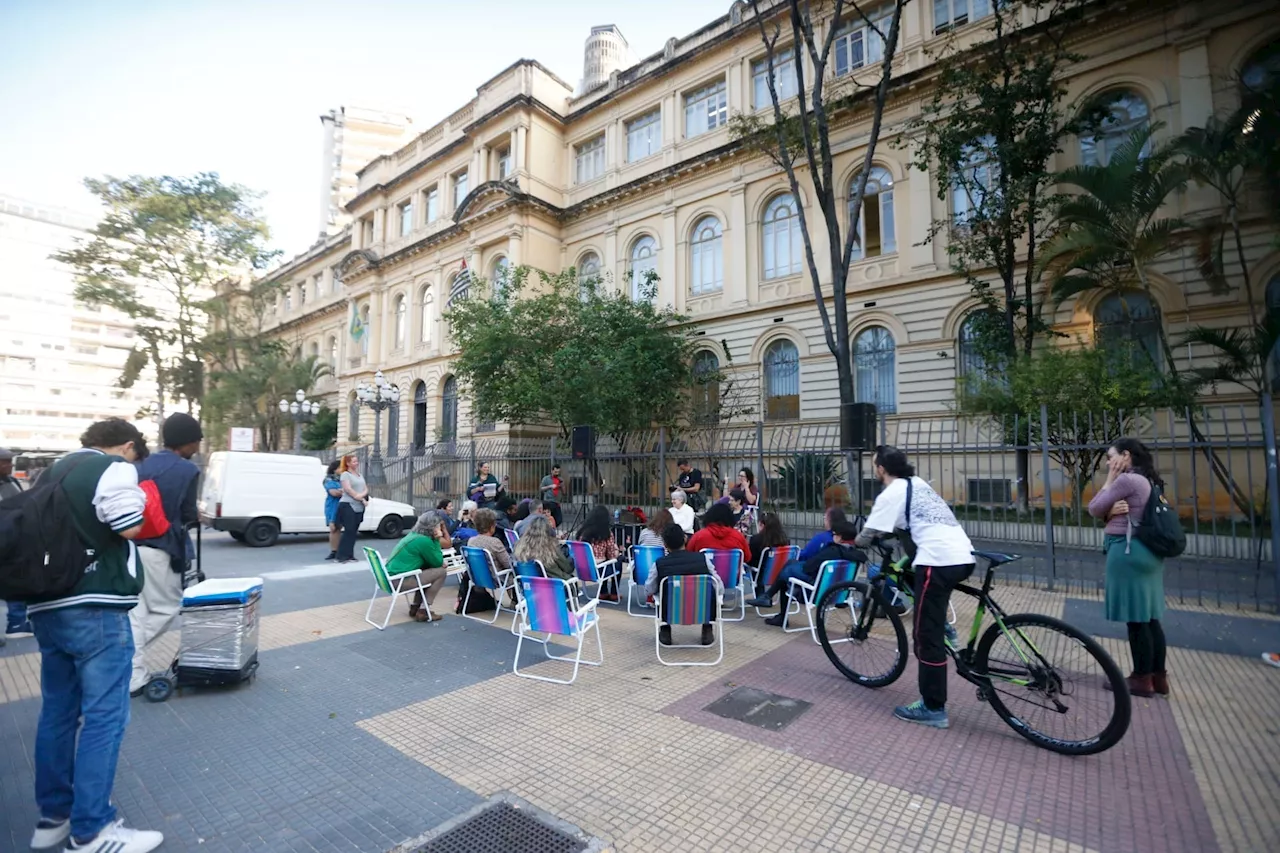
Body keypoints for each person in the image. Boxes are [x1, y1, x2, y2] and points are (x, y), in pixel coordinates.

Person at [26, 418, 165, 853]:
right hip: (96, 608)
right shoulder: (114, 467)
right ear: (126, 447)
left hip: (47, 606)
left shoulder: (49, 473)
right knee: (105, 717)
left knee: (58, 713)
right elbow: (126, 523)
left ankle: (54, 818)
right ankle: (93, 830)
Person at [855, 445, 975, 730]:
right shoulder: (917, 484)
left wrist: (857, 538)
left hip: (938, 561)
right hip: (962, 556)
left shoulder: (891, 492)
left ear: (881, 469)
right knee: (916, 580)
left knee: (924, 635)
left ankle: (933, 707)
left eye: (874, 465)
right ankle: (946, 627)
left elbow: (866, 536)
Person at [128, 412, 203, 697]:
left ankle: (131, 673)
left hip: (129, 547)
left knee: (136, 612)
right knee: (165, 607)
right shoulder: (186, 470)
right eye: (195, 441)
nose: (196, 448)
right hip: (161, 548)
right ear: (185, 442)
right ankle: (124, 662)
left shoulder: (137, 464)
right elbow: (186, 514)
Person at [1087, 437, 1168, 698]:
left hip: (1129, 551)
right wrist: (1110, 513)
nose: (1109, 462)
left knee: (1136, 620)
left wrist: (1110, 478)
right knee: (1150, 618)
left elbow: (1094, 508)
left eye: (1111, 456)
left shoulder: (1126, 480)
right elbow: (1112, 512)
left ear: (1126, 455)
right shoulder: (1149, 480)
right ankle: (1158, 676)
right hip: (1147, 554)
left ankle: (1141, 679)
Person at [749, 520, 863, 626]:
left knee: (787, 573)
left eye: (833, 534)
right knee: (790, 566)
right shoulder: (855, 557)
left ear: (839, 537)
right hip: (839, 594)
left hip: (815, 592)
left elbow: (808, 567)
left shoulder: (831, 552)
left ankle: (770, 600)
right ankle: (769, 599)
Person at [645, 524, 716, 646]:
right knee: (709, 594)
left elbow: (649, 589)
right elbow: (717, 584)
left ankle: (665, 630)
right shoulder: (702, 559)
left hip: (670, 611)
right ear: (685, 539)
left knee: (660, 595)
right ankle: (707, 629)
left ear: (665, 545)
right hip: (703, 610)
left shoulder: (660, 564)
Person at [385, 511, 451, 622]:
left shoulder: (413, 535)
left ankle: (416, 607)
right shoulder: (425, 540)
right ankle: (423, 610)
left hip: (388, 578)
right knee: (441, 572)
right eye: (439, 525)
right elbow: (438, 562)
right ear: (433, 527)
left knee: (428, 571)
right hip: (399, 581)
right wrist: (436, 539)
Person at [1, 447, 33, 641]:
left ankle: (17, 622)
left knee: (15, 579)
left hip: (14, 540)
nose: (10, 465)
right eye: (5, 461)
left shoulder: (11, 481)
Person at [467, 508, 514, 603]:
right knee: (517, 572)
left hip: (479, 578)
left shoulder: (471, 541)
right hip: (496, 579)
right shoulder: (495, 542)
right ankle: (515, 601)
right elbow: (509, 564)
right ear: (491, 526)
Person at [576, 504, 621, 602]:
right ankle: (614, 593)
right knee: (617, 561)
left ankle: (603, 592)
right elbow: (612, 556)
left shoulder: (581, 533)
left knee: (604, 561)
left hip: (583, 570)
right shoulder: (606, 533)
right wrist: (617, 550)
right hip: (598, 571)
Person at [513, 515, 575, 580]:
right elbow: (568, 569)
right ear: (548, 531)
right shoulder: (551, 548)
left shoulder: (520, 548)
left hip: (531, 586)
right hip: (557, 585)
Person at [686, 502, 751, 563]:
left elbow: (689, 555)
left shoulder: (699, 536)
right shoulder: (738, 536)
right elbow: (747, 558)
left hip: (706, 573)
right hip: (731, 574)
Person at [335, 455, 369, 563]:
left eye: (357, 461)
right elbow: (348, 489)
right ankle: (341, 556)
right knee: (348, 530)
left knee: (354, 531)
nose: (356, 463)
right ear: (348, 463)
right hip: (348, 504)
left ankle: (350, 555)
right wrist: (358, 497)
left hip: (359, 505)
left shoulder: (360, 475)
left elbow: (365, 488)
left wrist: (362, 496)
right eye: (354, 461)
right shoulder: (345, 475)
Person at [323, 461, 344, 560]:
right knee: (333, 528)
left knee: (339, 528)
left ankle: (339, 549)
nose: (342, 469)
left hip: (342, 505)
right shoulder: (328, 480)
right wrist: (344, 491)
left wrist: (342, 491)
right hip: (332, 506)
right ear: (334, 469)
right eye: (340, 467)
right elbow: (334, 493)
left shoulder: (343, 479)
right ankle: (333, 551)